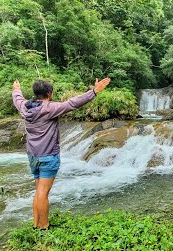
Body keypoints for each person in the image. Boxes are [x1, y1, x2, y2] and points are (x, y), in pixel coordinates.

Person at [12, 77, 111, 230]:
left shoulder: (25, 107)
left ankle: (36, 224)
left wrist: (16, 89)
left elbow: (17, 99)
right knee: (43, 192)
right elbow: (72, 103)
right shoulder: (50, 108)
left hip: (32, 155)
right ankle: (44, 227)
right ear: (50, 93)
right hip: (48, 156)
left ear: (35, 93)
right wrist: (94, 91)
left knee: (39, 190)